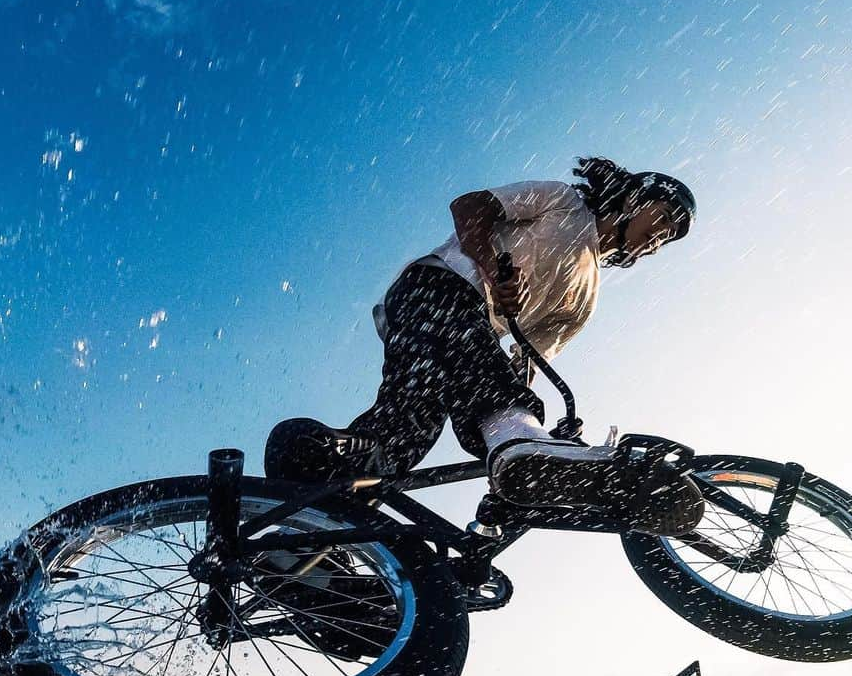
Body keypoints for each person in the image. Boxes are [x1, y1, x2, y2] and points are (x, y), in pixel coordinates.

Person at [266, 156, 702, 533]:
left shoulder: (585, 298)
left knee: (409, 431)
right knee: (481, 377)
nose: (658, 239)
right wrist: (493, 269)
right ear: (632, 198)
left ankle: (315, 510)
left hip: (461, 341)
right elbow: (470, 206)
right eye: (662, 219)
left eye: (669, 238)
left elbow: (525, 362)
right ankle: (516, 446)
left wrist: (547, 434)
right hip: (436, 289)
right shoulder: (562, 201)